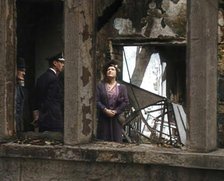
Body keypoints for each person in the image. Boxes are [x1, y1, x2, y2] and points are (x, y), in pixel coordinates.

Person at [96, 60, 129, 143]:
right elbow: (96, 101)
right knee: (103, 142)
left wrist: (116, 111)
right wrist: (105, 110)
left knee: (117, 143)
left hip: (116, 120)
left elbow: (125, 101)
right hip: (103, 119)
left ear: (116, 73)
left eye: (112, 69)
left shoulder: (122, 87)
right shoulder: (100, 86)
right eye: (108, 69)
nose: (110, 70)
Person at [32, 52, 65, 132]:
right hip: (53, 120)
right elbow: (50, 101)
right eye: (61, 62)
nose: (63, 65)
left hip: (43, 119)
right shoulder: (54, 79)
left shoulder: (41, 77)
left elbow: (37, 99)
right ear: (55, 63)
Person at [15, 57, 26, 134]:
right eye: (21, 70)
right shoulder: (10, 89)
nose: (24, 73)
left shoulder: (19, 87)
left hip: (18, 127)